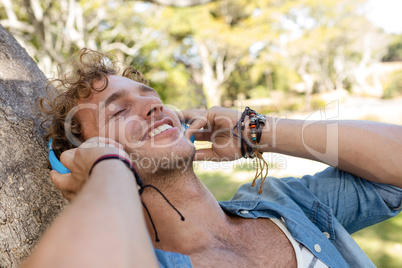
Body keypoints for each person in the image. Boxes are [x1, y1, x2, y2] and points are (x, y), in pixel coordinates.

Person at [23, 48, 402, 268]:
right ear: (76, 159)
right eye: (119, 112)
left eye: (151, 96)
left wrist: (254, 129)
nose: (155, 107)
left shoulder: (289, 204)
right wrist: (108, 169)